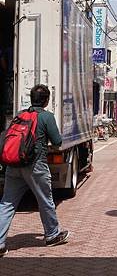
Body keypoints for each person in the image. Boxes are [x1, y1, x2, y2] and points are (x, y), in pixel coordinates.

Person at [0, 84, 69, 257]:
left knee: (7, 204)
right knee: (45, 200)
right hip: (35, 166)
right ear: (46, 100)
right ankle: (52, 235)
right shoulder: (46, 117)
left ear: (31, 99)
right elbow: (57, 141)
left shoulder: (19, 115)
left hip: (13, 165)